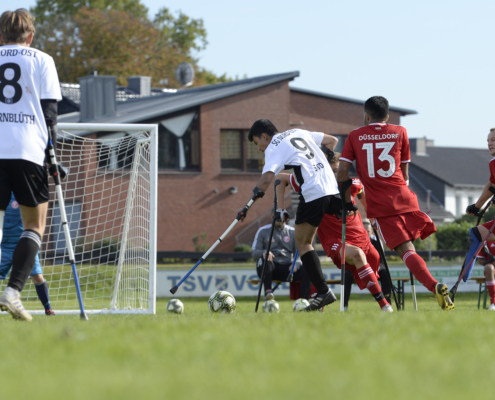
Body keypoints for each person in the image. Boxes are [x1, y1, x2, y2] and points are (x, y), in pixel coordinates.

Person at [337, 96, 454, 310]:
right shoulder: (400, 131)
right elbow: (405, 173)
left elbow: (342, 172)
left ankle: (434, 285)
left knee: (405, 251)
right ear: (388, 116)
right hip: (406, 199)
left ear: (367, 115)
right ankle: (434, 286)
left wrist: (344, 198)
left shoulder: (355, 135)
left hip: (382, 206)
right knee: (410, 249)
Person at [0, 9, 62, 320]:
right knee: (34, 225)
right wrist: (53, 157)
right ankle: (12, 292)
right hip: (27, 149)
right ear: (31, 36)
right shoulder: (42, 60)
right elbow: (49, 115)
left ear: (0, 37)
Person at [241, 119, 340, 311]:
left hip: (313, 191)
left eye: (256, 143)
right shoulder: (298, 132)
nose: (259, 148)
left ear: (264, 136)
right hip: (331, 187)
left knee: (303, 243)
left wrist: (246, 206)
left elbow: (266, 179)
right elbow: (332, 141)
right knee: (324, 234)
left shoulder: (273, 147)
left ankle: (323, 291)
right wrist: (319, 162)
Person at [312, 151, 392, 312]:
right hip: (336, 240)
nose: (335, 175)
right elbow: (283, 178)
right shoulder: (316, 187)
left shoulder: (353, 184)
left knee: (375, 257)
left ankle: (383, 299)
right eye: (331, 171)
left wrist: (373, 216)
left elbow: (364, 198)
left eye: (338, 170)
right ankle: (384, 305)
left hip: (360, 238)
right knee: (356, 255)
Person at [0, 194, 54, 315]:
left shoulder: (24, 192)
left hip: (24, 243)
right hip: (4, 245)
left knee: (37, 276)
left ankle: (48, 308)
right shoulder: (3, 191)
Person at [252, 215, 311, 300]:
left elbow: (300, 253)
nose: (279, 219)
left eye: (282, 217)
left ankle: (304, 301)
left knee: (307, 268)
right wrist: (264, 252)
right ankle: (268, 293)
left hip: (287, 268)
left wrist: (296, 264)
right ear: (272, 217)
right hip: (268, 268)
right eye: (277, 217)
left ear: (287, 219)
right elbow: (254, 253)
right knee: (267, 259)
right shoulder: (262, 231)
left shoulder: (293, 232)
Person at [463, 128, 495, 281]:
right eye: (488, 140)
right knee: (475, 233)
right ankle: (465, 274)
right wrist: (477, 206)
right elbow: (492, 185)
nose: (489, 143)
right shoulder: (493, 163)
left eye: (493, 140)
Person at [362, 219, 392, 304]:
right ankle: (344, 305)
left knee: (385, 272)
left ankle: (388, 302)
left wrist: (376, 267)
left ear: (372, 231)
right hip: (359, 268)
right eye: (364, 231)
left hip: (375, 267)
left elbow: (382, 260)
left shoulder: (377, 241)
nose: (366, 233)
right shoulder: (355, 240)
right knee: (346, 274)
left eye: (368, 231)